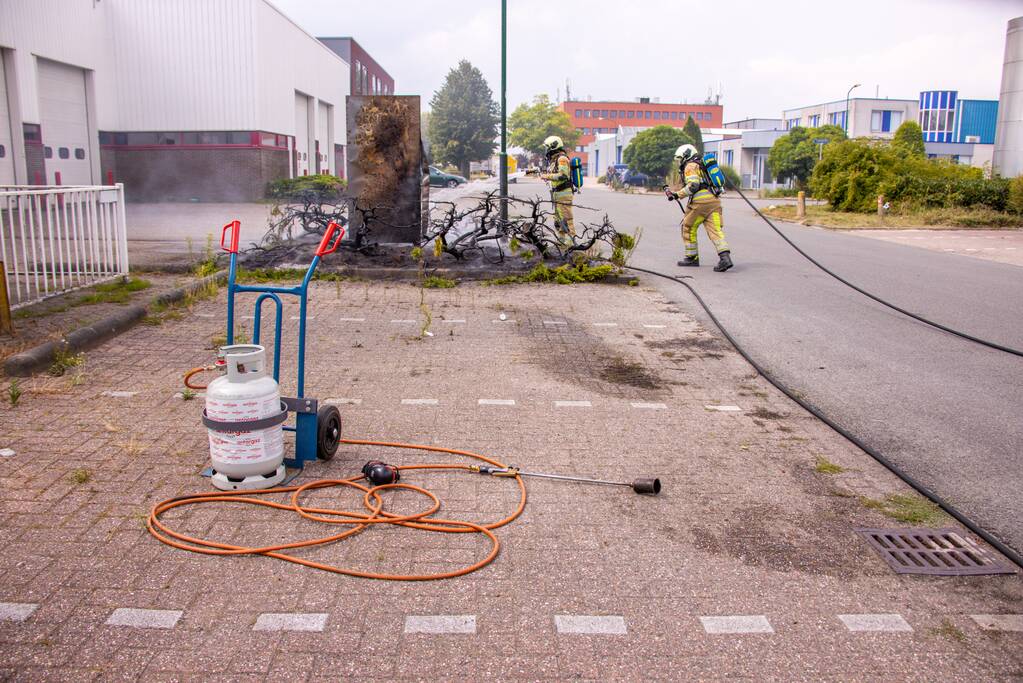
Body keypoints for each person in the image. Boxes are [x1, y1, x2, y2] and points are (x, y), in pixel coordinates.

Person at [664, 144, 733, 272]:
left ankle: (692, 258)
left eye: (680, 159)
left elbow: (693, 186)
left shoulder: (690, 166)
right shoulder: (702, 165)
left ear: (686, 156)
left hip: (701, 203)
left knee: (688, 227)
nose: (680, 162)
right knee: (715, 231)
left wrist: (677, 194)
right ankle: (725, 258)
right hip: (714, 201)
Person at [531, 135, 575, 244]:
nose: (546, 150)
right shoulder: (554, 160)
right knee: (559, 221)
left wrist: (547, 176)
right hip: (557, 194)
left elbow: (563, 176)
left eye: (547, 147)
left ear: (553, 146)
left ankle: (571, 246)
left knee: (566, 220)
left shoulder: (562, 159)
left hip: (564, 193)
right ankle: (561, 244)